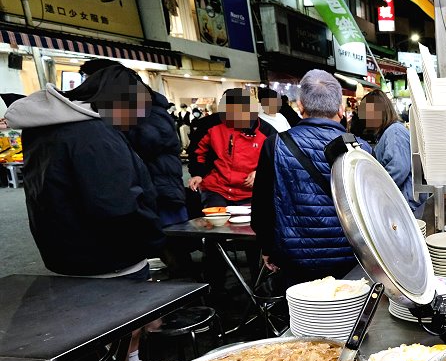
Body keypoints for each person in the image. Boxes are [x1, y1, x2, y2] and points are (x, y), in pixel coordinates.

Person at [5, 83, 162, 279]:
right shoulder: (92, 132)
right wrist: (152, 240)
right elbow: (115, 201)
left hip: (64, 255)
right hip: (112, 260)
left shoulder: (39, 128)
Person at [252, 70, 370, 287]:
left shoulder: (275, 145)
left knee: (304, 318)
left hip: (296, 262)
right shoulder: (361, 148)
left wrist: (268, 248)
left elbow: (262, 207)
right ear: (341, 109)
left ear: (300, 107)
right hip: (353, 259)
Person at [70, 62, 188, 228]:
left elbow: (151, 140)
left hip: (160, 188)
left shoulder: (149, 107)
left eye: (92, 81)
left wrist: (113, 130)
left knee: (170, 240)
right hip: (139, 190)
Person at [188, 89, 266, 208]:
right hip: (216, 188)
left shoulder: (266, 131)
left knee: (248, 225)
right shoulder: (210, 124)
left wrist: (260, 172)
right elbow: (197, 151)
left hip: (249, 192)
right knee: (217, 223)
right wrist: (198, 173)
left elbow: (275, 159)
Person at [360, 89, 420, 212]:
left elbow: (399, 169)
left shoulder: (394, 132)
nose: (364, 118)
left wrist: (375, 189)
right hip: (402, 204)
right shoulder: (389, 132)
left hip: (406, 205)